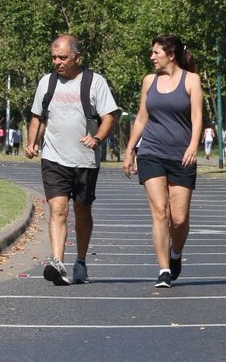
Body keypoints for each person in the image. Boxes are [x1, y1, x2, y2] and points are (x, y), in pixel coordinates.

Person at [26, 35, 120, 285]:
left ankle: (80, 261)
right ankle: (57, 262)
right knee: (58, 209)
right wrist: (32, 141)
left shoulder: (95, 82)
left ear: (78, 57)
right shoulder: (46, 82)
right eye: (54, 57)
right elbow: (38, 116)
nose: (57, 62)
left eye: (62, 57)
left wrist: (97, 138)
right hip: (53, 158)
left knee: (82, 211)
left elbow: (109, 117)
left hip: (85, 160)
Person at [122, 35, 204, 287]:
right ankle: (163, 270)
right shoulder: (149, 81)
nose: (152, 57)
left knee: (178, 219)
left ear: (171, 54)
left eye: (156, 52)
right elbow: (141, 118)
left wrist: (193, 146)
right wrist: (130, 149)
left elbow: (198, 118)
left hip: (181, 155)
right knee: (160, 211)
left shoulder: (192, 80)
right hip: (151, 152)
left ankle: (175, 253)